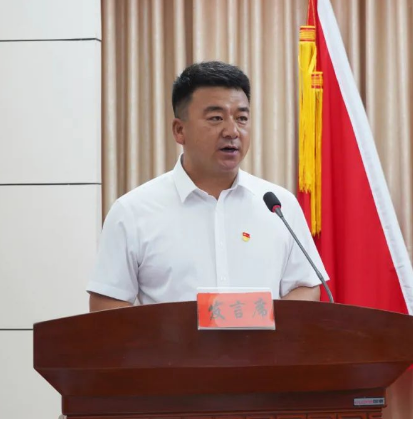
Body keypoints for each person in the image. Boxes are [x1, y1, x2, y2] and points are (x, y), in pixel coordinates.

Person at [87, 61, 328, 312]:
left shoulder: (279, 206)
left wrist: (264, 325)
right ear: (179, 130)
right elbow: (106, 304)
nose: (232, 131)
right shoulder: (132, 211)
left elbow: (306, 285)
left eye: (242, 118)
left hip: (263, 341)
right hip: (171, 341)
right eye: (216, 118)